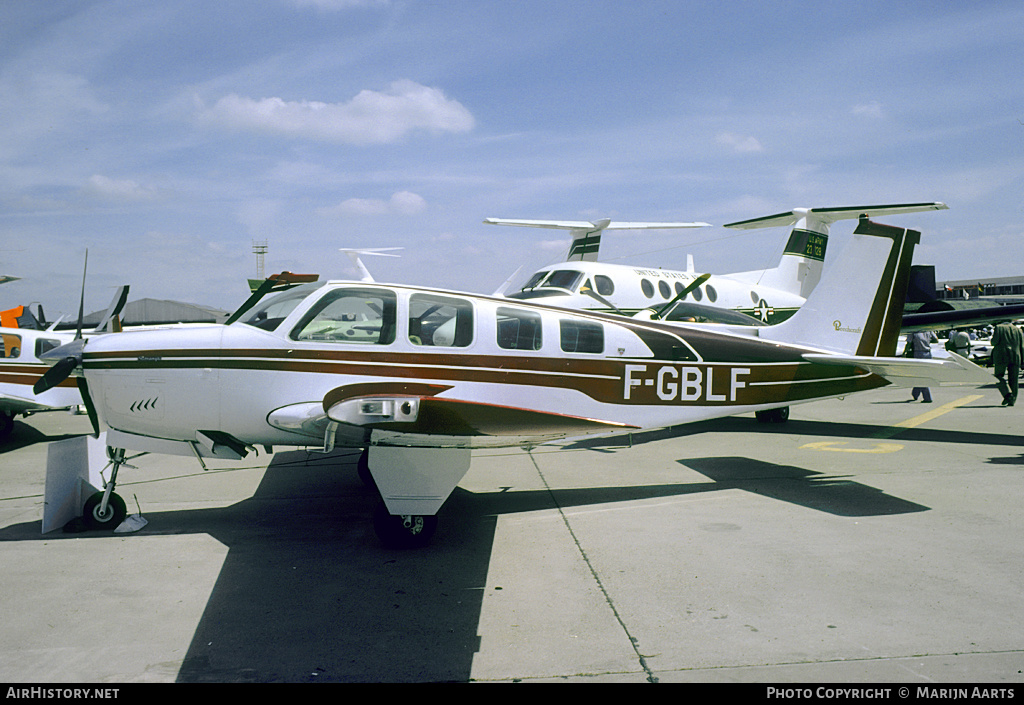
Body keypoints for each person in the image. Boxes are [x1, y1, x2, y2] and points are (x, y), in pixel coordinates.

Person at [991, 320, 1024, 407]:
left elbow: (994, 342)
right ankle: (1013, 400)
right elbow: (1022, 346)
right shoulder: (1018, 330)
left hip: (1001, 356)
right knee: (1014, 379)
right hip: (1016, 356)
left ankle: (1007, 395)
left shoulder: (999, 328)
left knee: (998, 376)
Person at [905, 330, 937, 402]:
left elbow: (909, 343)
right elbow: (936, 340)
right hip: (928, 353)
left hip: (918, 353)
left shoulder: (913, 331)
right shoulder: (929, 330)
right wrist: (926, 341)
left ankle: (927, 397)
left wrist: (904, 353)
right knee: (923, 374)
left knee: (920, 375)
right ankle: (915, 393)